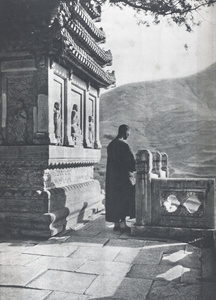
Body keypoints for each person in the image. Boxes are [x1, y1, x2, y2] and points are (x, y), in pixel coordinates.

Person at [105, 124, 136, 231]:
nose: (128, 135)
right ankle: (123, 224)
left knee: (114, 200)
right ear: (125, 132)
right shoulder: (123, 145)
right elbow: (131, 162)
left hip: (112, 178)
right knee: (123, 199)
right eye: (128, 133)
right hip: (123, 178)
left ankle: (116, 224)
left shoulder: (111, 144)